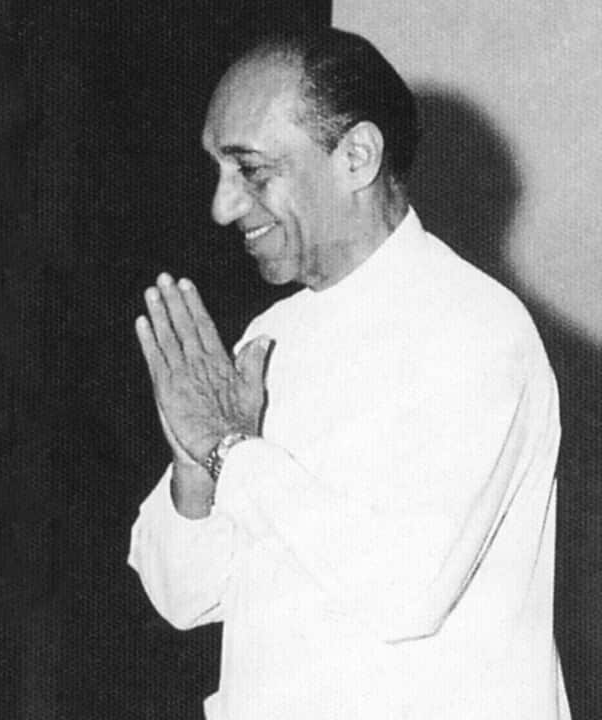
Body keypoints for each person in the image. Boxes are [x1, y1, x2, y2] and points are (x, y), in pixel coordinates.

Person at [128, 27, 570, 719]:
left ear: (357, 156)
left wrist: (230, 452)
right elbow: (182, 597)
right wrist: (195, 464)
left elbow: (405, 591)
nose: (223, 206)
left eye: (251, 170)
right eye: (219, 172)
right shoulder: (271, 337)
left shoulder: (477, 330)